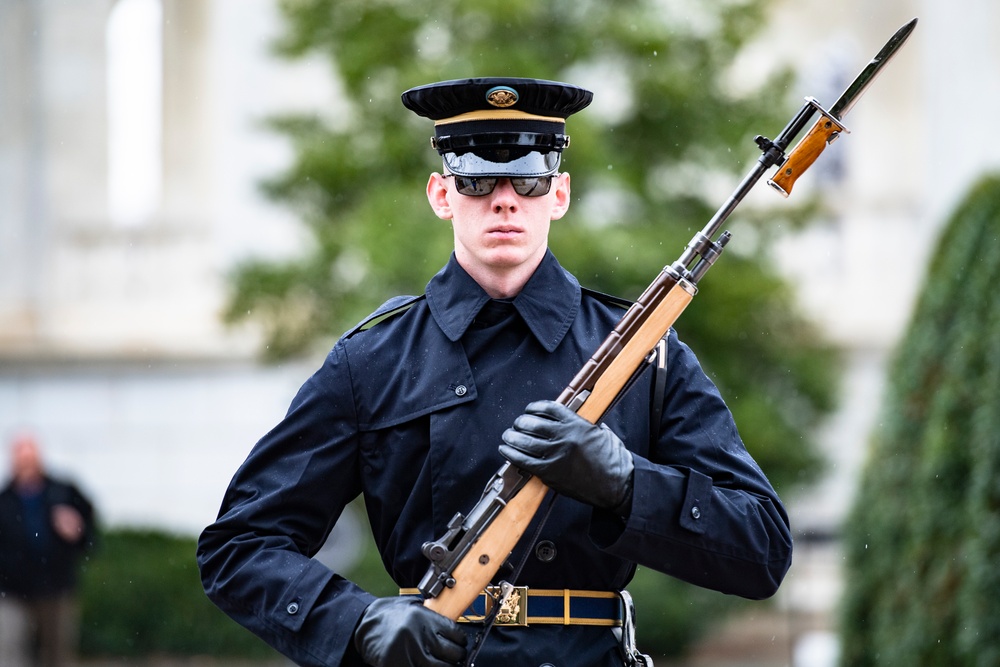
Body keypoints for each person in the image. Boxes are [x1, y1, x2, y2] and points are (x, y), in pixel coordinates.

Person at [197, 77, 793, 667]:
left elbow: (762, 549)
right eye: (477, 179)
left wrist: (627, 484)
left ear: (558, 195)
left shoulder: (646, 355)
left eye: (528, 178)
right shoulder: (373, 359)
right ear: (441, 194)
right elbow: (240, 547)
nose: (504, 198)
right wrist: (359, 622)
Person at [0, 432, 96, 667]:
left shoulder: (63, 491)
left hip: (56, 587)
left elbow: (89, 533)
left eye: (30, 460)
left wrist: (77, 531)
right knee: (11, 651)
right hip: (12, 590)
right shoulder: (4, 500)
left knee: (57, 654)